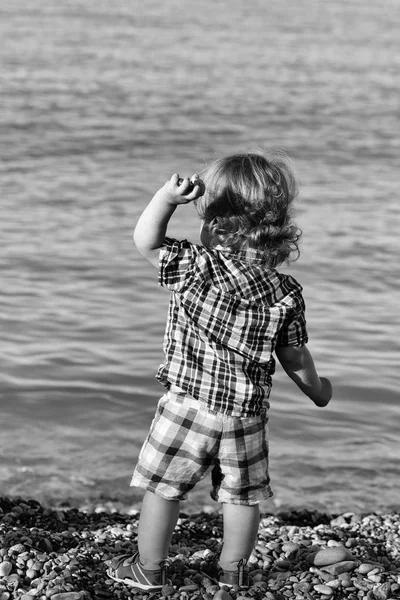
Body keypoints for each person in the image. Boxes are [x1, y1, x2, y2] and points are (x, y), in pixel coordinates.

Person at [108, 150, 332, 591]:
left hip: (187, 405)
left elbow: (146, 241)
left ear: (214, 223)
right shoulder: (285, 290)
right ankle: (234, 572)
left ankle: (149, 568)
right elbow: (295, 358)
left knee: (163, 487)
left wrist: (165, 199)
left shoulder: (194, 266)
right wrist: (319, 390)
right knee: (242, 496)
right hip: (246, 414)